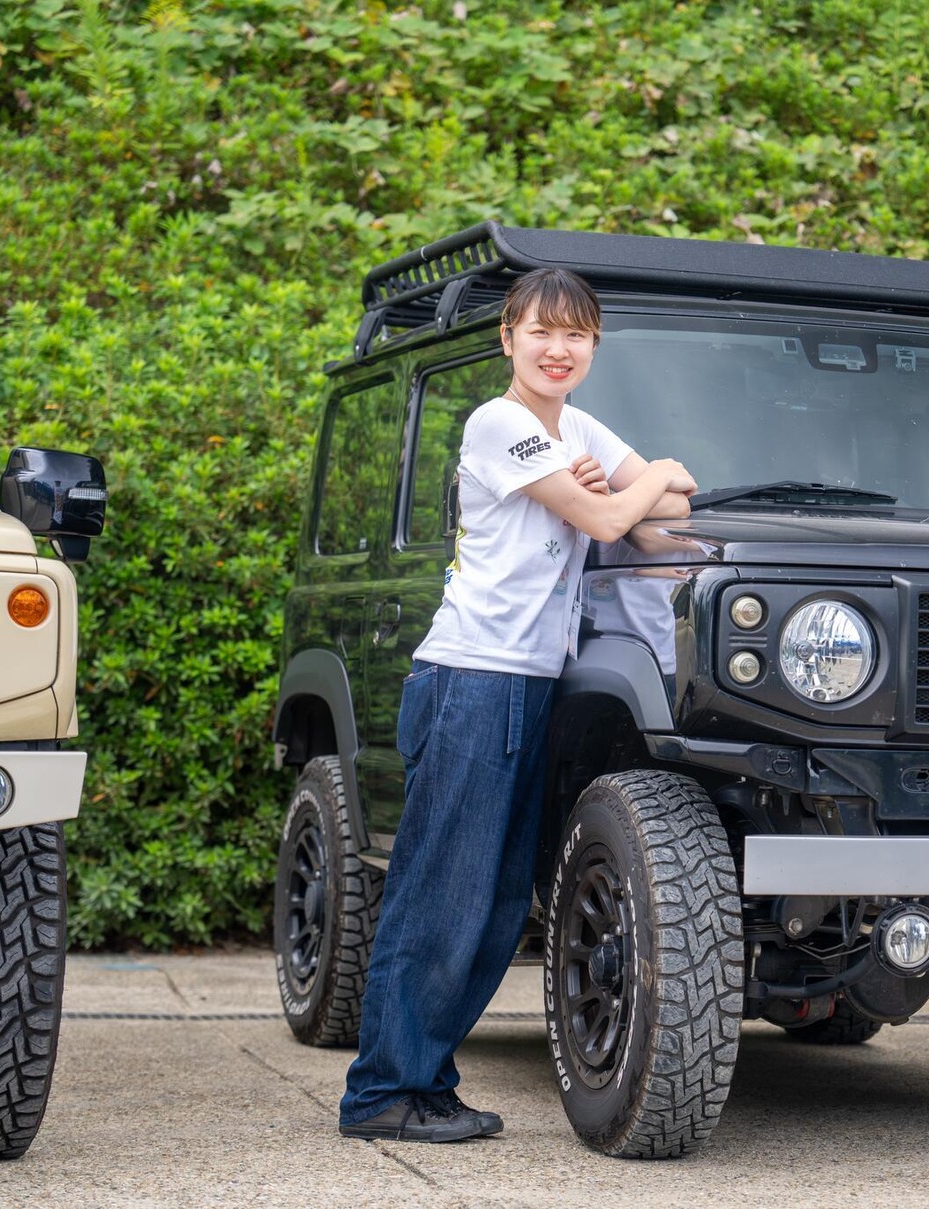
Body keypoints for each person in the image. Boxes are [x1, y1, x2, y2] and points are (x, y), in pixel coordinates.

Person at [338, 267, 697, 1142]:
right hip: (470, 678)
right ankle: (382, 1091)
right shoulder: (497, 422)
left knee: (498, 901)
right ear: (508, 339)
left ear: (593, 347)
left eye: (575, 334)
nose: (557, 348)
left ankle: (423, 1081)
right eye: (540, 331)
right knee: (440, 896)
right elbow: (625, 520)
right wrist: (636, 485)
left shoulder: (576, 425)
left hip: (528, 683)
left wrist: (623, 489)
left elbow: (671, 515)